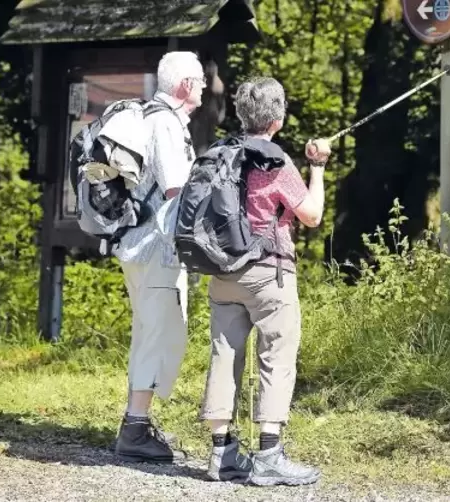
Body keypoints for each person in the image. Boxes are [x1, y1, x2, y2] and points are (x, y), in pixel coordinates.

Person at [198, 76, 331, 485]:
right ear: (277, 118)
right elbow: (311, 215)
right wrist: (318, 167)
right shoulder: (275, 160)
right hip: (268, 272)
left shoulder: (219, 153)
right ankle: (270, 454)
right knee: (276, 354)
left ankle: (222, 454)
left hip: (221, 270)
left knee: (224, 355)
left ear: (242, 114)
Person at [112, 51, 206, 462]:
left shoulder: (151, 117)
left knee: (150, 330)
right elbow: (176, 193)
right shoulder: (166, 124)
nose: (203, 86)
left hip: (136, 244)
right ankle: (135, 429)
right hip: (156, 248)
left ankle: (137, 421)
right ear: (186, 84)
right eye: (200, 80)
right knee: (158, 334)